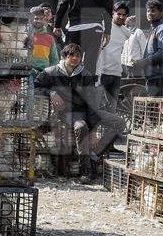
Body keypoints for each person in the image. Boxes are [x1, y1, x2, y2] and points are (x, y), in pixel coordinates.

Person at [35, 43, 116, 183]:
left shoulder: (86, 75)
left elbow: (92, 105)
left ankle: (86, 171)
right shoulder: (50, 72)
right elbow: (35, 87)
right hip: (52, 113)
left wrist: (93, 131)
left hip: (77, 114)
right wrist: (51, 92)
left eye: (77, 55)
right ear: (64, 57)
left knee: (81, 127)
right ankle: (58, 171)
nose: (74, 58)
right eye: (71, 55)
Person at [134, 0, 163, 96]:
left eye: (153, 11)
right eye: (148, 11)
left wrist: (143, 62)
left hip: (160, 78)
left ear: (160, 13)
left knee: (158, 108)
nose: (150, 13)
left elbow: (162, 54)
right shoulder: (153, 29)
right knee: (153, 107)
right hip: (153, 77)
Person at [96, 2, 132, 111]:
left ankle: (111, 128)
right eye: (119, 14)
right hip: (102, 72)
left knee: (112, 108)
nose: (121, 17)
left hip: (116, 73)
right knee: (98, 106)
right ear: (113, 13)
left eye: (124, 15)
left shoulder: (126, 32)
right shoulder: (104, 26)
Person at [28, 5, 60, 74]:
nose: (38, 21)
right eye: (36, 18)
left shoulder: (49, 38)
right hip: (27, 73)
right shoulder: (25, 35)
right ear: (30, 19)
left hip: (44, 73)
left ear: (44, 19)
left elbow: (54, 59)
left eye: (41, 18)